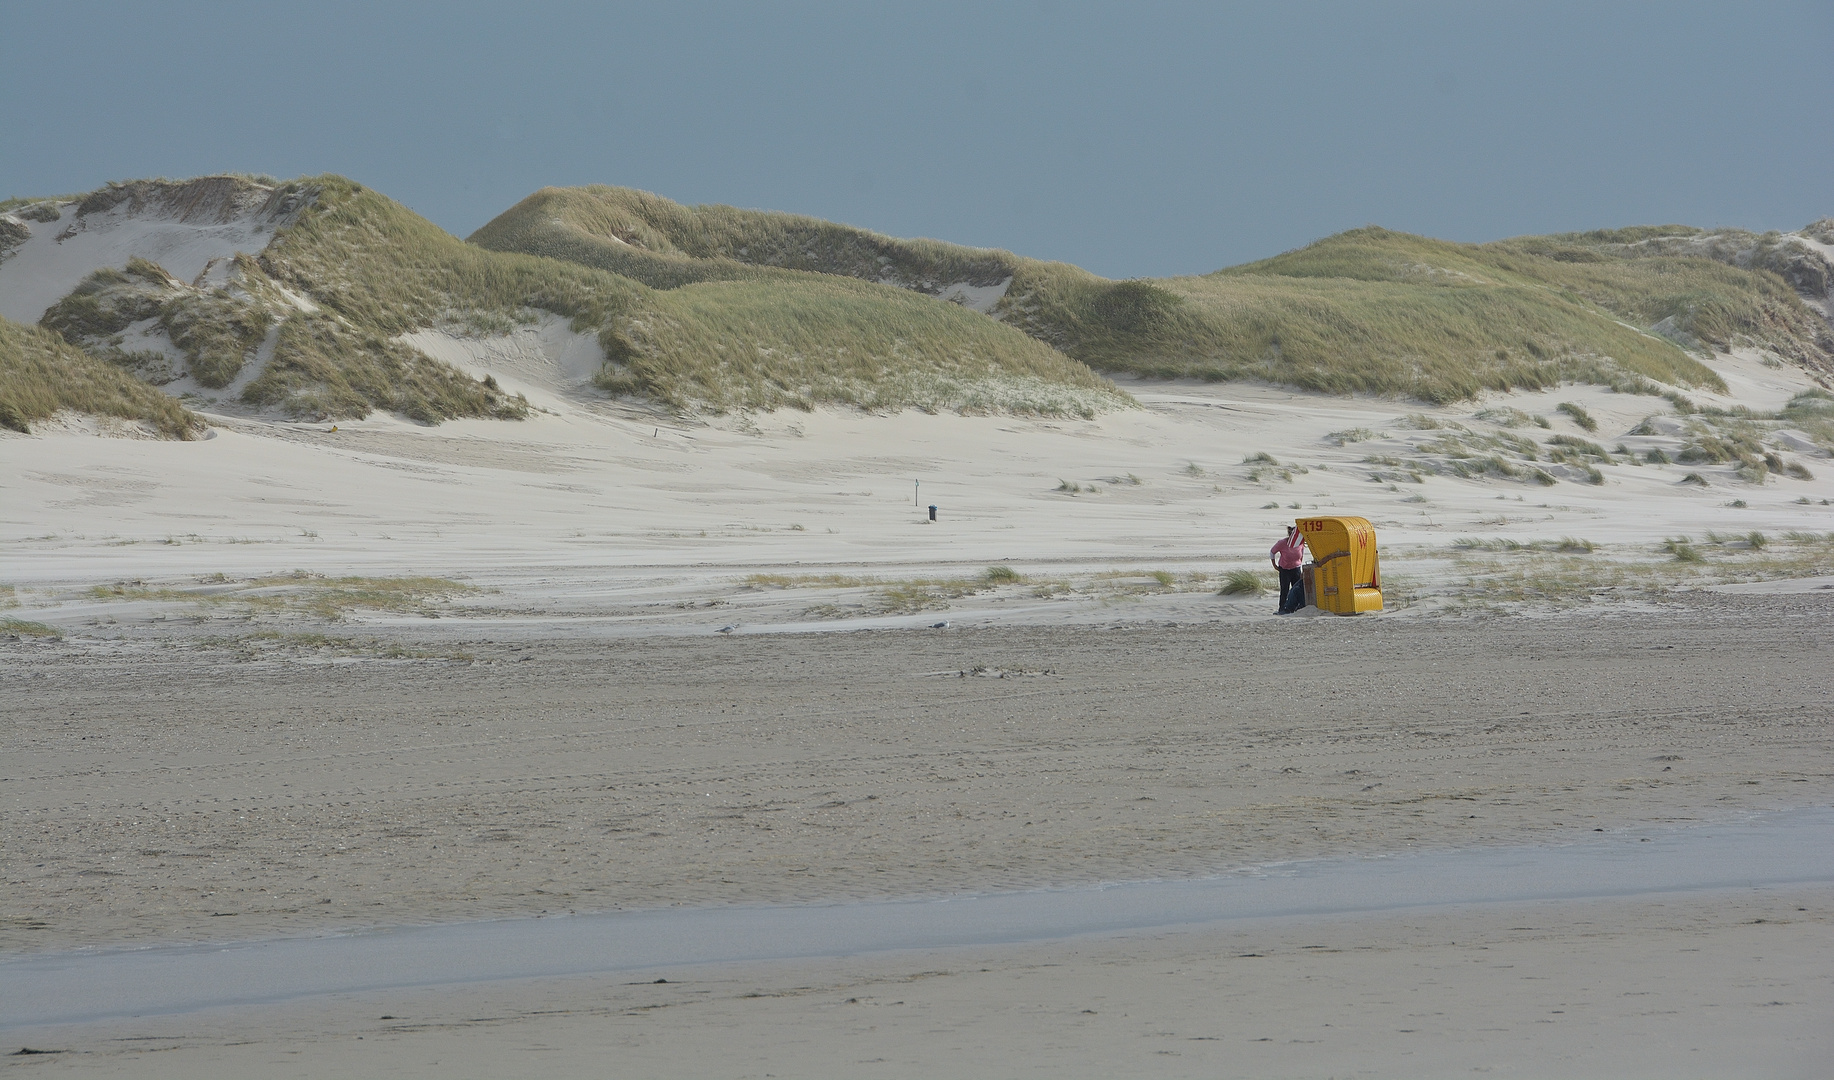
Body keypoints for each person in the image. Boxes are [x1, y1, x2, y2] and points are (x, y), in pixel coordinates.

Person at [1269, 524, 1308, 614]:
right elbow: (1272, 552)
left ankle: (1296, 608)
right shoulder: (1282, 543)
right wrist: (1274, 565)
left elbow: (1301, 554)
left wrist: (1299, 565)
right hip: (1284, 569)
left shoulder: (1300, 543)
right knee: (1284, 590)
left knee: (1297, 589)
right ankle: (1282, 609)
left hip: (1296, 569)